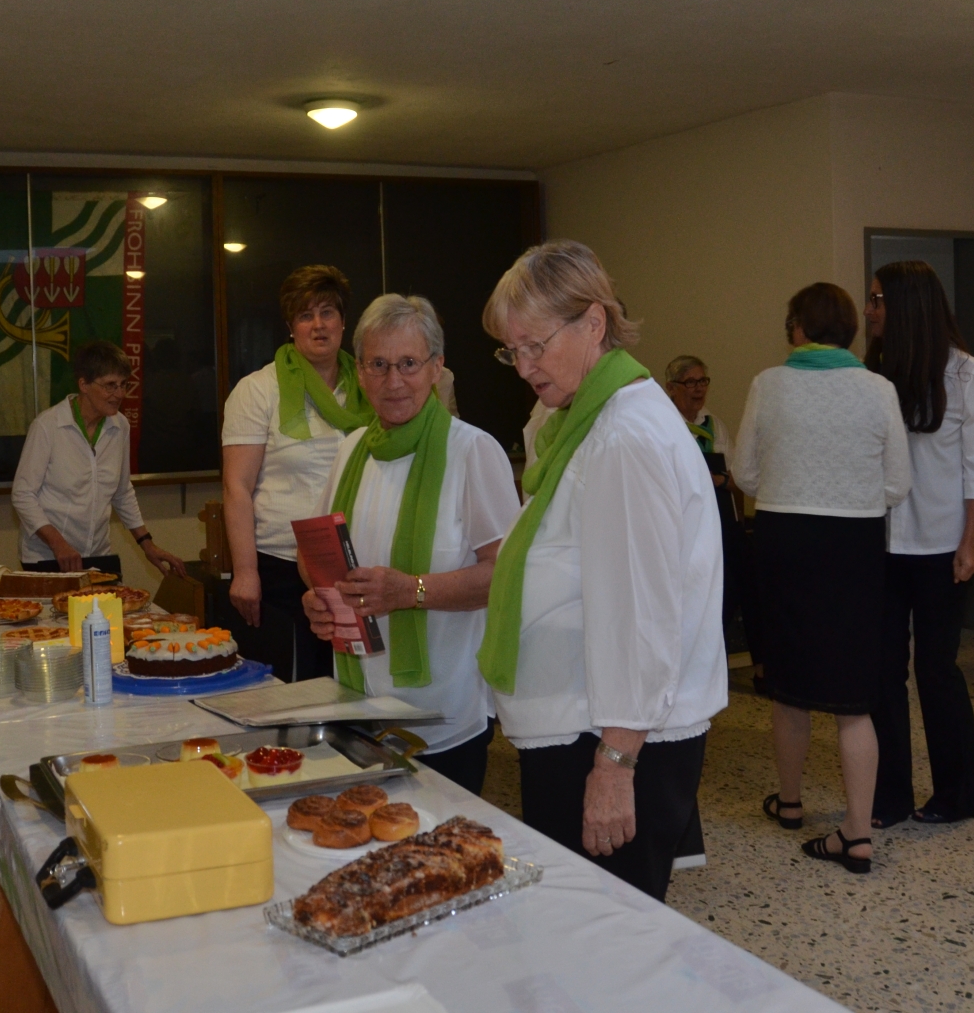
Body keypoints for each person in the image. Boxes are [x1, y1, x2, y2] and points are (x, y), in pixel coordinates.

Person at [479, 240, 726, 900]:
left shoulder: (623, 436)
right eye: (511, 351)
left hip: (610, 740)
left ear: (593, 323)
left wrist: (615, 765)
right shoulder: (586, 419)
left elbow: (640, 615)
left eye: (534, 345)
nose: (523, 366)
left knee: (607, 934)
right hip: (583, 726)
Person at [300, 295, 521, 794]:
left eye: (408, 364)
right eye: (378, 365)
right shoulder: (351, 450)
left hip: (443, 714)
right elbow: (315, 558)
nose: (393, 380)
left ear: (437, 368)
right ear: (360, 372)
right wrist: (317, 597)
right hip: (356, 705)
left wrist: (410, 591)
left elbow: (506, 576)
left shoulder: (473, 451)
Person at [733, 282, 909, 872]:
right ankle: (856, 834)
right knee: (854, 699)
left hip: (784, 540)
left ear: (798, 327)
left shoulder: (768, 383)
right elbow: (897, 484)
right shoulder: (878, 388)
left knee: (790, 686)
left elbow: (745, 473)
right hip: (854, 546)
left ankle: (790, 803)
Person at [862, 262, 974, 827]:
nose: (868, 310)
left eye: (877, 300)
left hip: (943, 547)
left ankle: (960, 795)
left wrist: (971, 543)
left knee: (936, 670)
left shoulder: (966, 373)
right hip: (882, 546)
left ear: (907, 306)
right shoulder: (873, 374)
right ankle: (888, 795)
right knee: (882, 672)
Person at [222, 266, 374, 681]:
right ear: (291, 327)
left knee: (356, 689)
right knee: (296, 693)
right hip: (282, 569)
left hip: (357, 566)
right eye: (306, 315)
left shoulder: (371, 385)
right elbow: (236, 487)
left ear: (344, 322)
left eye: (328, 312)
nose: (318, 325)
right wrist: (245, 571)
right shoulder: (258, 389)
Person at [12, 340, 189, 578]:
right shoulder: (47, 426)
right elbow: (23, 495)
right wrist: (57, 543)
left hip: (97, 555)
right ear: (84, 384)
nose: (120, 394)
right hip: (47, 557)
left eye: (123, 384)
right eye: (110, 386)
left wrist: (147, 544)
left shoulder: (120, 425)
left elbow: (122, 492)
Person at [664, 355, 761, 688]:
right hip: (683, 525)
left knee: (750, 577)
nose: (699, 389)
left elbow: (737, 479)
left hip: (721, 521)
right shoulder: (665, 424)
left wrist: (719, 479)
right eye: (690, 382)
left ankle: (762, 668)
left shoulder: (714, 425)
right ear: (671, 388)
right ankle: (696, 663)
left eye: (703, 381)